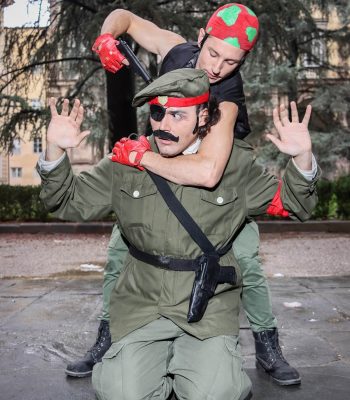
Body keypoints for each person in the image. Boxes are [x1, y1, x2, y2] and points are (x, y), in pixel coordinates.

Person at [37, 68, 319, 400]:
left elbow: (295, 204)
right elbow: (65, 201)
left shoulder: (233, 164)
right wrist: (55, 149)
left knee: (216, 392)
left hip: (206, 305)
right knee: (122, 392)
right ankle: (156, 365)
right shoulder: (128, 159)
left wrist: (302, 157)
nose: (164, 125)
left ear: (203, 116)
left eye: (177, 115)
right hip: (142, 301)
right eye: (157, 113)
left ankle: (200, 366)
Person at [66, 3, 299, 385]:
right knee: (119, 257)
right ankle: (108, 338)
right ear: (201, 37)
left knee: (247, 265)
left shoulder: (226, 94)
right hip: (154, 176)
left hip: (218, 197)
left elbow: (209, 172)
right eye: (212, 53)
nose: (217, 67)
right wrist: (107, 36)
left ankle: (266, 344)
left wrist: (140, 157)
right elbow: (127, 17)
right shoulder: (175, 50)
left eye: (232, 61)